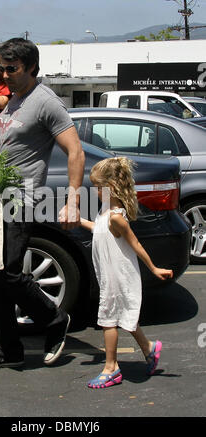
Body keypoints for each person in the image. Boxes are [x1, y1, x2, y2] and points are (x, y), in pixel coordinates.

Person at [0, 38, 85, 371]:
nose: (4, 75)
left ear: (32, 67)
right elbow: (12, 145)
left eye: (12, 68)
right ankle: (9, 349)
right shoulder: (14, 99)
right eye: (2, 68)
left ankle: (54, 319)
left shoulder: (46, 102)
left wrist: (73, 200)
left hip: (21, 200)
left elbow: (75, 151)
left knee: (7, 272)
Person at [79, 157, 173, 389]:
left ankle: (111, 368)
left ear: (110, 188)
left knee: (109, 319)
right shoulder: (106, 212)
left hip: (118, 276)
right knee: (125, 318)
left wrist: (153, 268)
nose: (96, 191)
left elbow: (136, 244)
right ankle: (149, 349)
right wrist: (78, 221)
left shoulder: (116, 218)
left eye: (98, 187)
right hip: (110, 274)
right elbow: (99, 230)